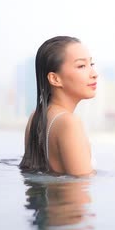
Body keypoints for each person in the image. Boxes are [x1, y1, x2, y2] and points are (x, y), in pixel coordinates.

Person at [20, 36, 98, 176]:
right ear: (55, 79)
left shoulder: (36, 116)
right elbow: (79, 192)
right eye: (81, 66)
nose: (94, 74)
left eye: (91, 64)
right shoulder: (69, 122)